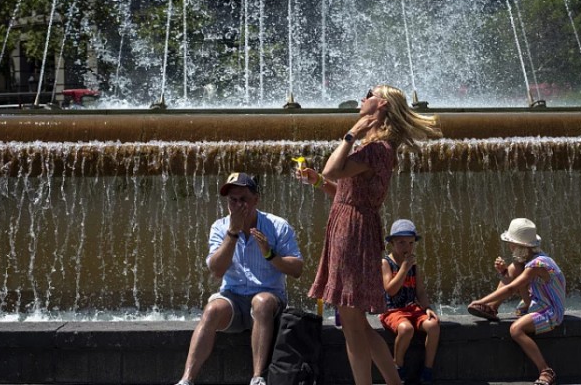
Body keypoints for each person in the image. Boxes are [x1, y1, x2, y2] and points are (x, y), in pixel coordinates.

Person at [297, 85, 442, 385]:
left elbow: (332, 169)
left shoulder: (377, 149)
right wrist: (317, 183)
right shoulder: (379, 148)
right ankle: (395, 383)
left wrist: (351, 132)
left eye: (368, 94)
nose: (362, 99)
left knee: (351, 325)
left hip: (352, 232)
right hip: (350, 225)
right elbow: (344, 191)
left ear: (382, 105)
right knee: (358, 323)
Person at [175, 172, 304, 385]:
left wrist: (270, 254)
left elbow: (297, 269)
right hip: (233, 299)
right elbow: (217, 270)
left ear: (256, 200)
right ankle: (186, 380)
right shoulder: (220, 227)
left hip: (269, 300)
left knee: (261, 303)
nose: (237, 205)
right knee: (211, 310)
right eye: (232, 200)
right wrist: (232, 233)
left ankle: (257, 378)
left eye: (243, 199)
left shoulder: (277, 225)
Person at [467, 218, 565, 385]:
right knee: (513, 268)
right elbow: (517, 285)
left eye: (511, 243)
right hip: (535, 300)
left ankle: (546, 371)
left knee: (516, 329)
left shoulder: (537, 265)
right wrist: (504, 272)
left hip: (550, 310)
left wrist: (480, 300)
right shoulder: (530, 260)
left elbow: (512, 288)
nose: (509, 246)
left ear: (521, 246)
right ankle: (491, 308)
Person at [379, 219, 439, 385]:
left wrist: (426, 307)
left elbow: (420, 291)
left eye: (411, 243)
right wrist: (403, 269)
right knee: (406, 329)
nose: (407, 247)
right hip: (392, 311)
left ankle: (427, 369)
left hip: (412, 308)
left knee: (433, 325)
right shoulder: (386, 263)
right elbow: (390, 289)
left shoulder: (414, 265)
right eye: (401, 242)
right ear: (391, 242)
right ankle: (397, 365)